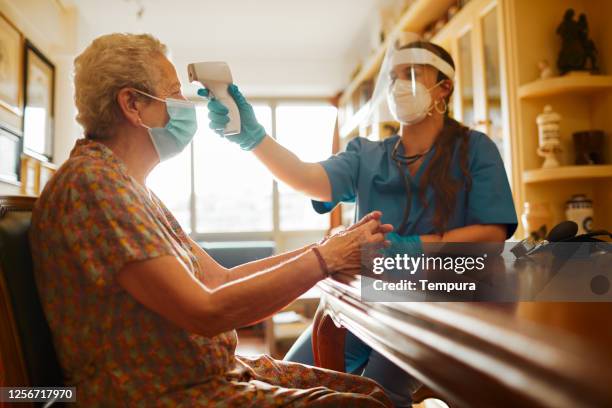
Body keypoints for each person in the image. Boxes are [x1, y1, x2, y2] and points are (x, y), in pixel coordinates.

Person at [29, 33, 395, 407]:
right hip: (162, 395)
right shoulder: (95, 186)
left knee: (373, 393)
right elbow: (206, 312)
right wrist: (325, 260)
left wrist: (327, 248)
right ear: (132, 104)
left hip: (206, 375)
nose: (186, 105)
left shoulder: (130, 188)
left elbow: (221, 279)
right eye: (173, 92)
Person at [203, 38, 518, 407]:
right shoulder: (367, 155)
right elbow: (306, 176)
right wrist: (253, 138)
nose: (399, 85)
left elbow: (490, 235)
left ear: (443, 86)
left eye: (412, 74)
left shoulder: (475, 149)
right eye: (394, 76)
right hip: (365, 300)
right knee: (294, 377)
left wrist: (413, 248)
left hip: (440, 302)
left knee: (381, 391)